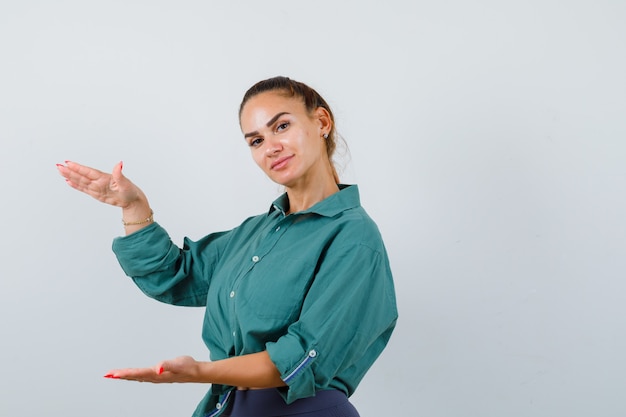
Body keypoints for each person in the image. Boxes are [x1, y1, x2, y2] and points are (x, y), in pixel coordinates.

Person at [56, 76, 398, 417]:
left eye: (282, 126)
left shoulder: (354, 237)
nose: (270, 147)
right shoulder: (255, 233)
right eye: (256, 140)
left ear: (322, 122)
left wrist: (199, 372)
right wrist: (133, 206)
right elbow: (175, 275)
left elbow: (303, 355)